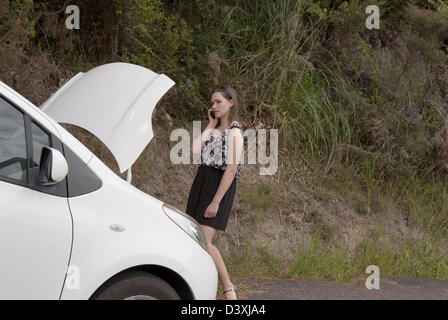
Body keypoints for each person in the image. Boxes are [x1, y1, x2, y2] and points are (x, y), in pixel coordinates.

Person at [186, 86, 244, 300]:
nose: (214, 106)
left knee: (204, 241)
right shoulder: (215, 129)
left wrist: (216, 202)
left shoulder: (235, 132)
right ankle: (200, 284)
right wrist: (210, 124)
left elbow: (231, 169)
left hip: (218, 187)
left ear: (231, 103)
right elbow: (193, 149)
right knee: (195, 237)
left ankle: (228, 288)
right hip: (202, 182)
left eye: (219, 101)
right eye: (212, 102)